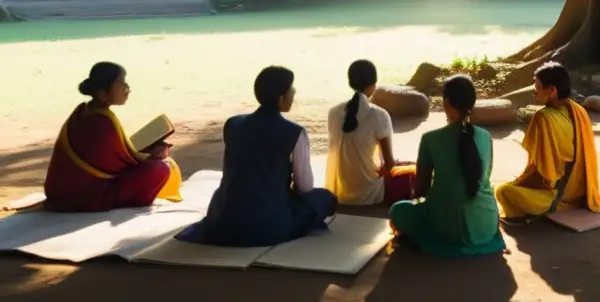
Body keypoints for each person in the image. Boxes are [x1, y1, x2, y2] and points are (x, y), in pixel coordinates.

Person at [188, 66, 336, 247]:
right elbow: (305, 187)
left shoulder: (233, 123)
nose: (294, 92)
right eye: (291, 89)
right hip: (268, 227)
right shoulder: (295, 132)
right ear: (281, 97)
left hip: (222, 221)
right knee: (325, 198)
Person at [389, 75, 505, 257]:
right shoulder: (485, 136)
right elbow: (484, 178)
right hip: (486, 224)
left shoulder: (431, 139)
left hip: (445, 228)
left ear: (446, 103)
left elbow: (421, 189)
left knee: (399, 210)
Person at [43, 62, 182, 212]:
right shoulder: (102, 121)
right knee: (160, 169)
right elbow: (123, 165)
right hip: (85, 197)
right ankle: (131, 204)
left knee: (160, 164)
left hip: (66, 192)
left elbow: (108, 158)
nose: (127, 89)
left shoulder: (83, 110)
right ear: (103, 94)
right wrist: (153, 156)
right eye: (122, 85)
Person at [494, 62, 600, 220]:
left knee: (503, 191)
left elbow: (544, 174)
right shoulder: (578, 110)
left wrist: (521, 183)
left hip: (557, 195)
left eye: (537, 86)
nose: (534, 90)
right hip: (581, 192)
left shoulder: (543, 117)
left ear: (552, 90)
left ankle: (551, 205)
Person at [324, 59, 416, 206]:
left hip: (340, 190)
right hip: (369, 193)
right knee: (414, 170)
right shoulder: (378, 115)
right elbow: (389, 164)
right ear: (373, 85)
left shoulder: (333, 112)